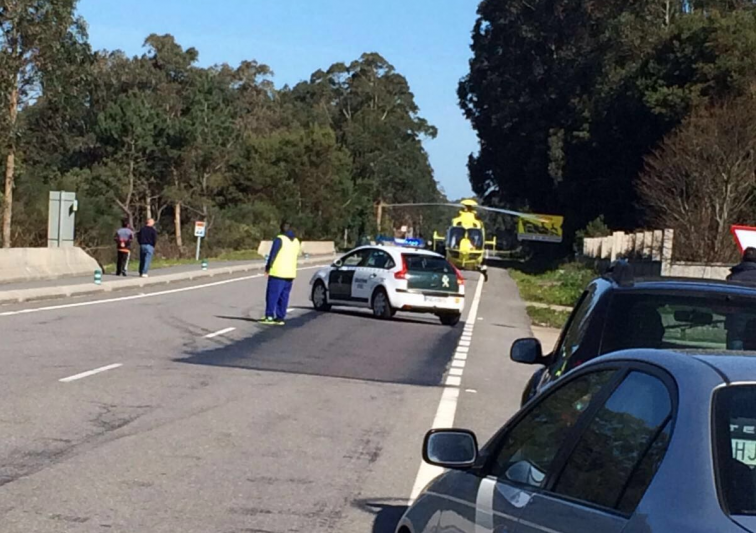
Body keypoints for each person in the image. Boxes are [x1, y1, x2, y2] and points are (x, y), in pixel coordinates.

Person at [261, 222, 301, 326]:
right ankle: (280, 317)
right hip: (290, 272)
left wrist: (268, 267)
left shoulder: (280, 239)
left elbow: (273, 254)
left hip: (278, 272)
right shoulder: (296, 241)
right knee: (284, 296)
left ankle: (269, 316)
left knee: (272, 295)